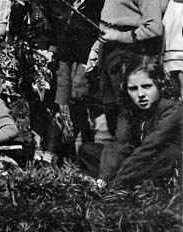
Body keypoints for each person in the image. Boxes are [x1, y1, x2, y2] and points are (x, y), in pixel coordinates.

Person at [95, 0, 164, 139]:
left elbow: (153, 28)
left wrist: (120, 36)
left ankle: (131, 148)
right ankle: (116, 147)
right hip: (109, 57)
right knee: (109, 103)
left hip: (129, 58)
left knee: (128, 107)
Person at [77, 57, 182, 188]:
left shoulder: (172, 109)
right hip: (135, 160)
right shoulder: (129, 107)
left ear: (159, 85)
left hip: (155, 159)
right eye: (133, 88)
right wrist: (104, 177)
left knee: (168, 154)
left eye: (146, 86)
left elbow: (150, 147)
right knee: (89, 150)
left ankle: (115, 184)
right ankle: (104, 181)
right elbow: (120, 144)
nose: (140, 94)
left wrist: (115, 181)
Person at [20, 0, 72, 164]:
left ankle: (52, 150)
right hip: (31, 48)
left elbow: (62, 22)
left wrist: (52, 49)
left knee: (51, 100)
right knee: (34, 101)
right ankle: (37, 145)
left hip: (51, 50)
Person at [55, 0, 106, 148]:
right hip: (70, 64)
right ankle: (80, 152)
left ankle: (94, 152)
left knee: (89, 108)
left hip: (87, 66)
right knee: (74, 110)